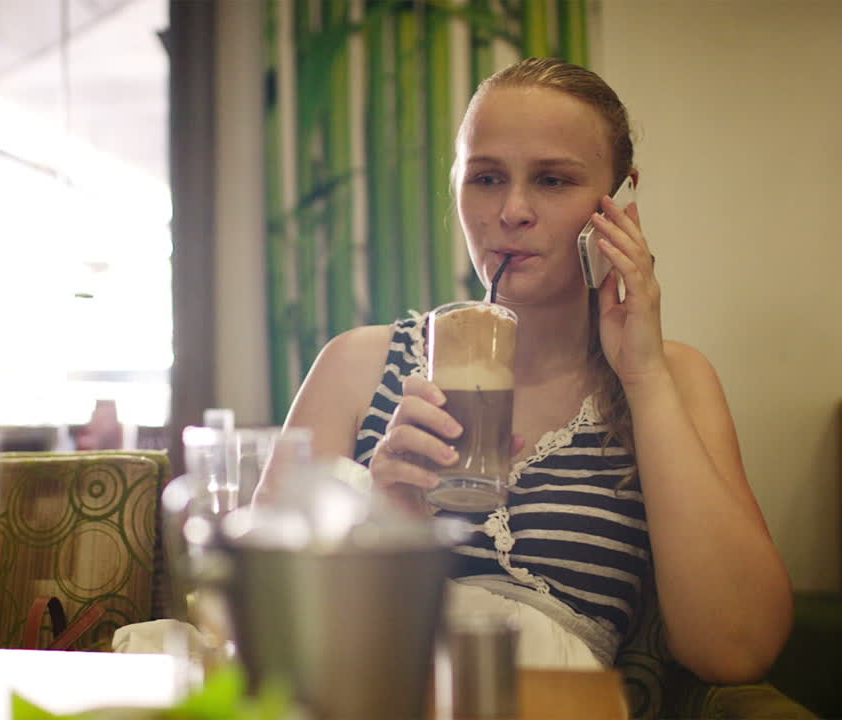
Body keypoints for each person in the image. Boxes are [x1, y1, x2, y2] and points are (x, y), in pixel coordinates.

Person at [271, 57, 792, 682]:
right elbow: (251, 620)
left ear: (619, 201)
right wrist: (381, 521)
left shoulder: (672, 378)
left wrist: (644, 379)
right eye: (486, 178)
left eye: (552, 180)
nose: (512, 210)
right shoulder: (359, 365)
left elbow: (736, 649)